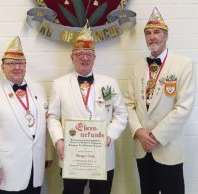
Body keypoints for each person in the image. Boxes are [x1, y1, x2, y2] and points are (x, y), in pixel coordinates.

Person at [47, 22, 128, 194]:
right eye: (80, 54)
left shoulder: (110, 83)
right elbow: (52, 117)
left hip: (103, 154)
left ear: (94, 58)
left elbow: (121, 114)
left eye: (89, 54)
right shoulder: (58, 84)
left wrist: (110, 136)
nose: (85, 58)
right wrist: (58, 140)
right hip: (72, 155)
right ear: (72, 57)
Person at [125, 7, 195, 194]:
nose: (152, 37)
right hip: (142, 148)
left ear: (166, 36)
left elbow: (183, 107)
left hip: (168, 147)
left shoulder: (184, 64)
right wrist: (139, 132)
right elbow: (128, 104)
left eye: (156, 32)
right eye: (148, 33)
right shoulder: (137, 66)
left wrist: (155, 137)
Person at [0, 36, 48, 194]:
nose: (17, 67)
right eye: (11, 63)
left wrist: (47, 154)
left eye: (21, 63)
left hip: (35, 168)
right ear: (2, 67)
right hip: (6, 170)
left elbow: (44, 125)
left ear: (25, 66)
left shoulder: (39, 89)